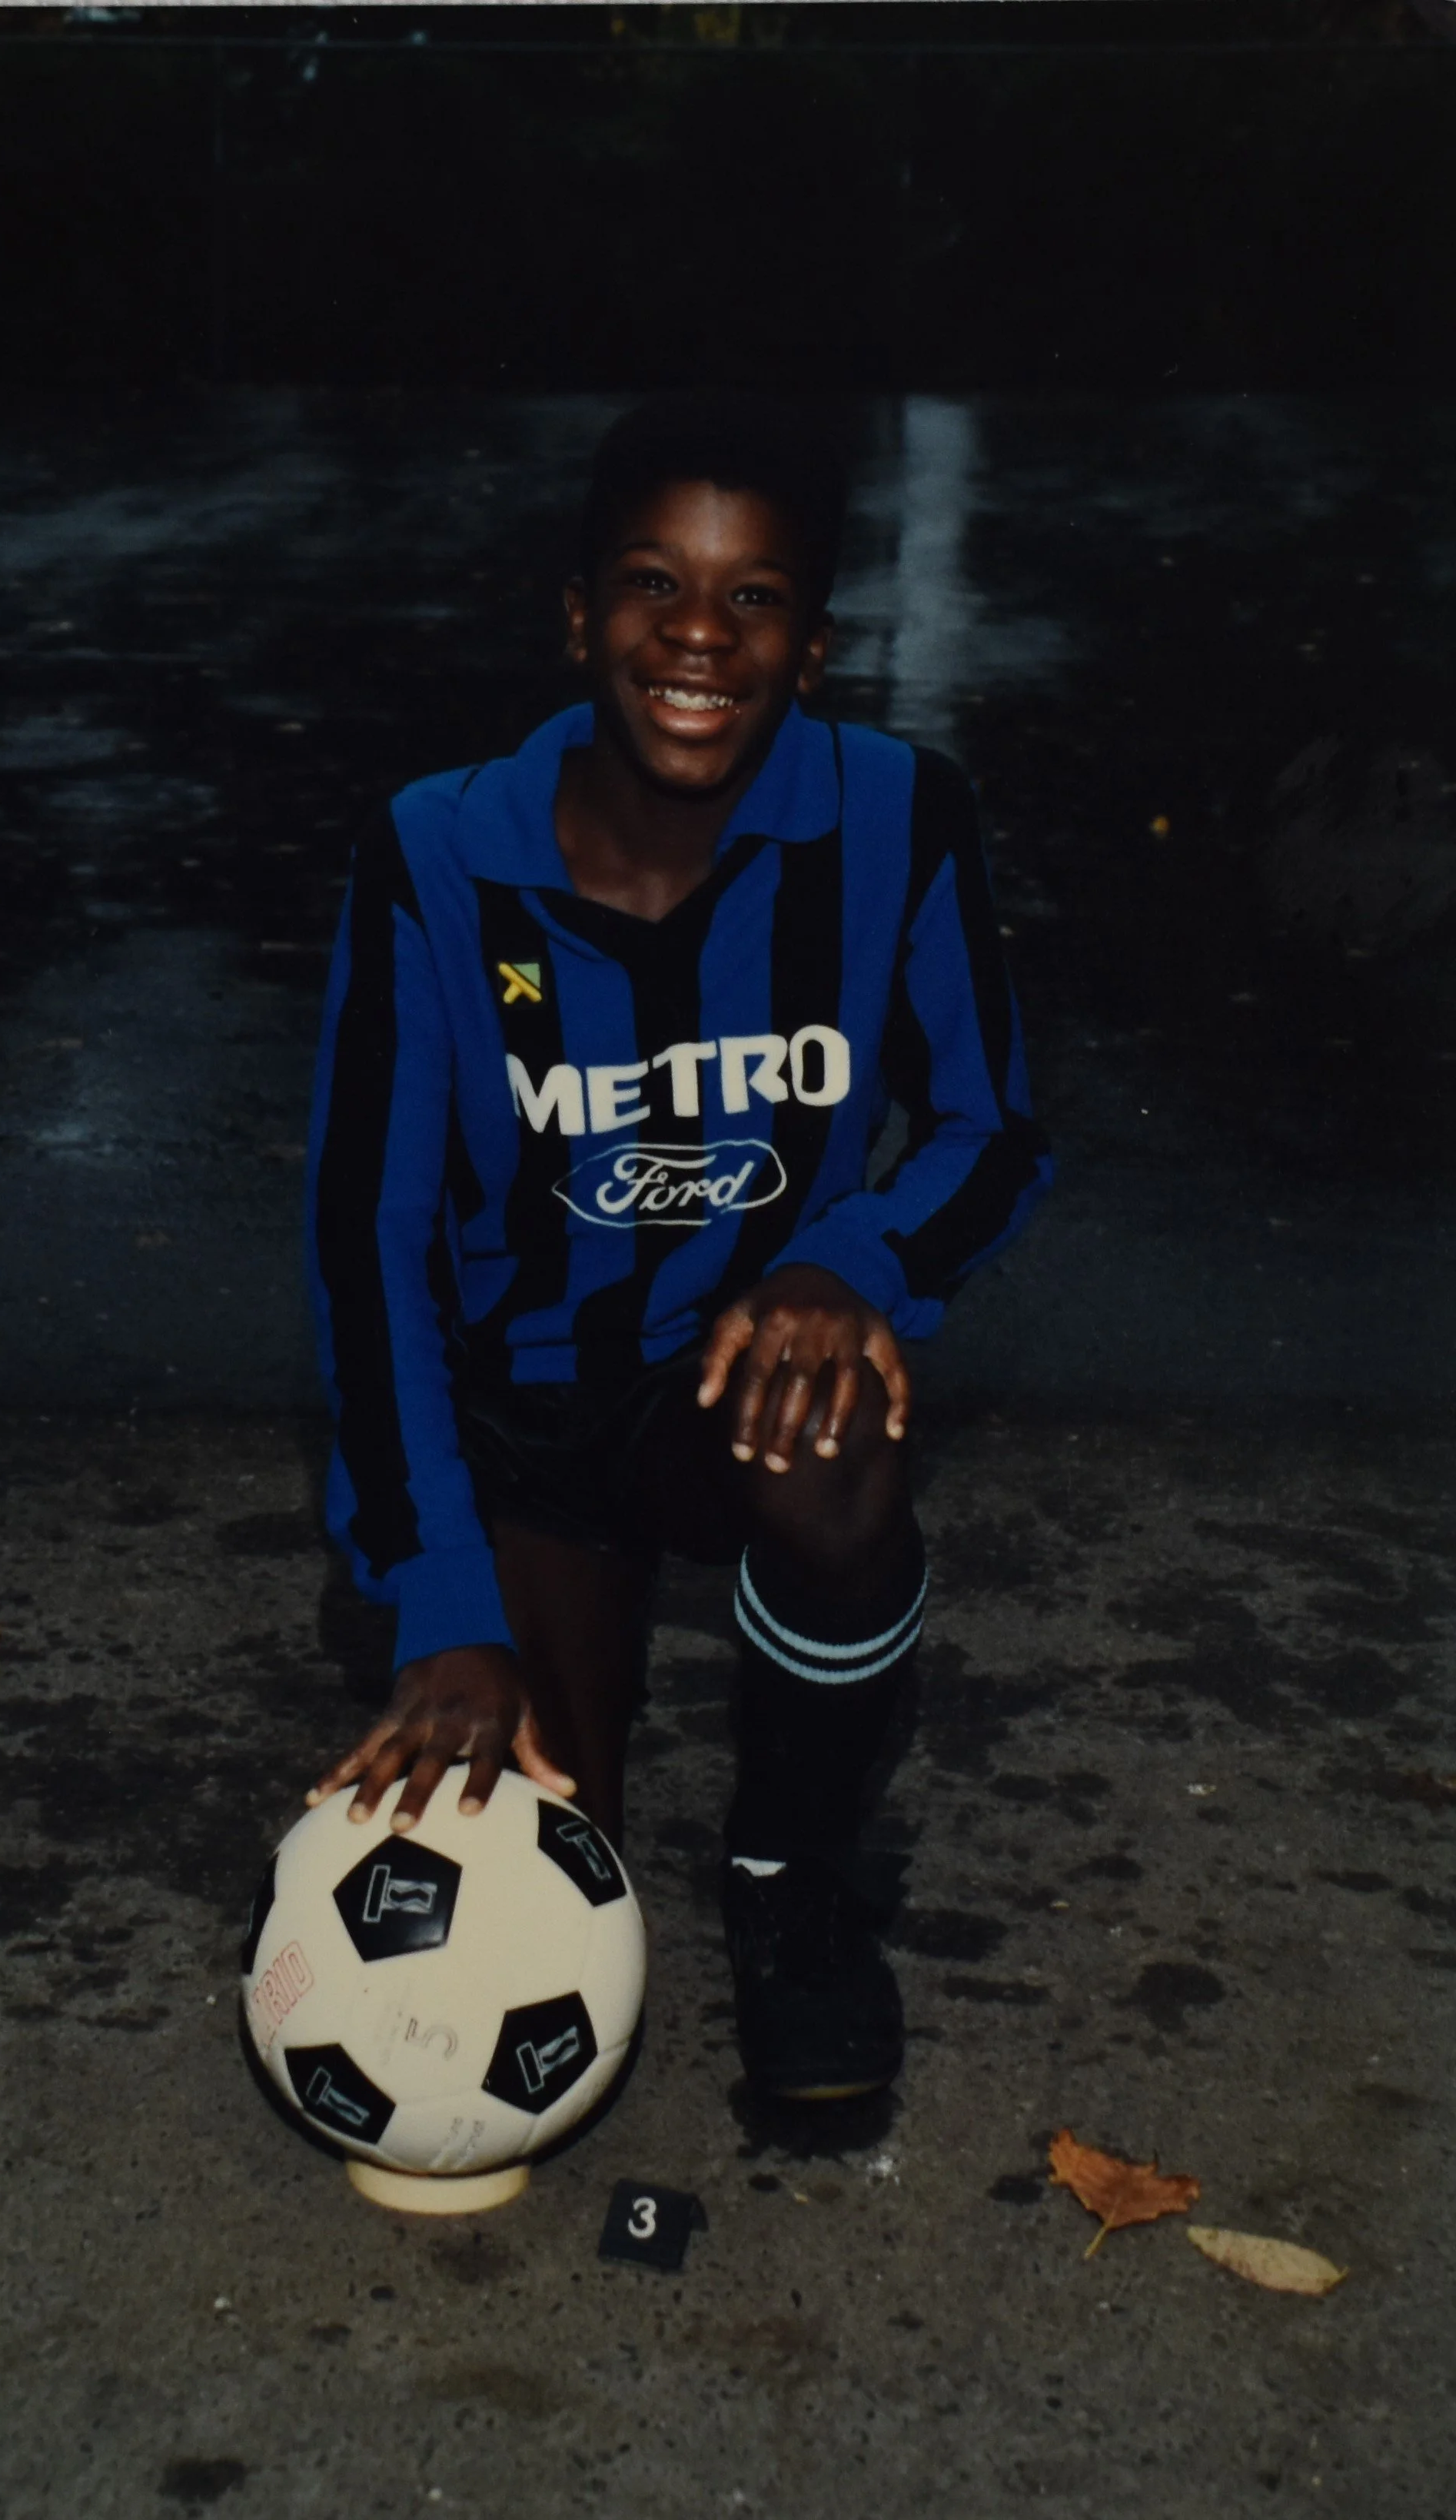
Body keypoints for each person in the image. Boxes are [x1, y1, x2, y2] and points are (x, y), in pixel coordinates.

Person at [303, 394, 1050, 2101]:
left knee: (841, 1445)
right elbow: (374, 1245)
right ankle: (578, 1709)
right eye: (653, 582)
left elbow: (992, 1128)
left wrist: (845, 1261)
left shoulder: (898, 818)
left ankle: (794, 1889)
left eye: (755, 594)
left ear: (814, 638)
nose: (700, 633)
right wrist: (440, 1602)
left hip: (732, 1376)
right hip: (528, 1419)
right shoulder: (436, 853)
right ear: (578, 616)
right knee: (553, 1903)